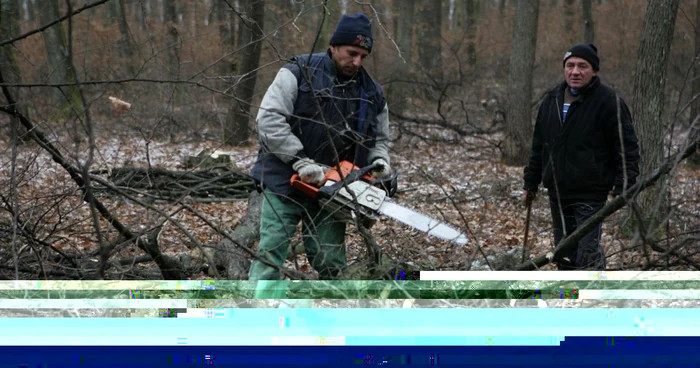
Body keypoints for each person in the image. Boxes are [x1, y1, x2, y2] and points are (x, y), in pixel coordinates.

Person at [248, 13, 392, 285]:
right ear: (334, 46)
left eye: (363, 56)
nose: (357, 61)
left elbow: (380, 139)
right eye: (352, 53)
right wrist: (300, 161)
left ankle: (330, 318)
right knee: (270, 254)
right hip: (284, 180)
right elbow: (268, 119)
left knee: (331, 262)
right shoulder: (298, 71)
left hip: (334, 189)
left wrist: (380, 161)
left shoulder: (372, 92)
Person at [522, 43, 640, 270]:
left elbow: (627, 147)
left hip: (591, 192)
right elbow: (539, 146)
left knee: (588, 252)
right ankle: (571, 296)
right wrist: (531, 183)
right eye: (570, 65)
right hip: (557, 191)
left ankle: (596, 299)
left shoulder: (608, 101)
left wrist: (623, 184)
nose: (575, 71)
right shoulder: (552, 99)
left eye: (582, 66)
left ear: (594, 70)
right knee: (563, 252)